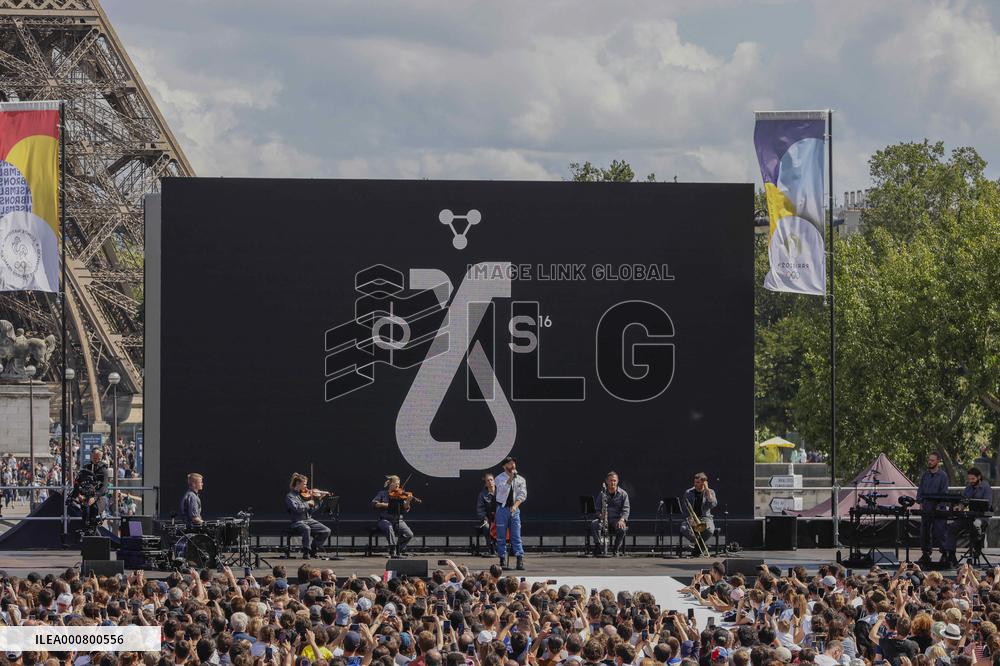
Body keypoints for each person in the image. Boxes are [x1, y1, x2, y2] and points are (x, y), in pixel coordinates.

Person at [940, 467, 993, 565]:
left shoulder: (986, 487)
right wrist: (959, 507)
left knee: (976, 525)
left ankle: (976, 549)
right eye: (969, 479)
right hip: (969, 516)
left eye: (973, 479)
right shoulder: (968, 488)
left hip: (982, 517)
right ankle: (951, 554)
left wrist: (973, 504)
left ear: (979, 477)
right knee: (952, 527)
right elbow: (963, 500)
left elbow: (988, 504)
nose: (971, 481)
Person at [287, 473, 332, 559]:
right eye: (304, 484)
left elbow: (312, 510)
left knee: (326, 530)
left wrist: (319, 500)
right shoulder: (290, 496)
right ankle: (306, 552)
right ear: (298, 484)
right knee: (306, 528)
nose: (306, 486)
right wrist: (307, 503)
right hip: (297, 521)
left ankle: (313, 549)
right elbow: (296, 509)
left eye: (306, 484)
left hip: (308, 519)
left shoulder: (305, 495)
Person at [915, 452, 950, 565]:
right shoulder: (925, 475)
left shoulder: (943, 476)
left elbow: (944, 492)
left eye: (932, 460)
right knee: (924, 532)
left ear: (938, 461)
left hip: (938, 508)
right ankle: (926, 553)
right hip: (926, 507)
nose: (930, 462)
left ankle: (944, 554)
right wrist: (920, 501)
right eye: (929, 460)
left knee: (940, 532)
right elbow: (920, 489)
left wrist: (939, 505)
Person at [494, 455, 526, 570]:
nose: (512, 465)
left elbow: (522, 495)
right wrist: (511, 478)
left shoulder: (521, 479)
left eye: (513, 463)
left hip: (514, 509)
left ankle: (519, 559)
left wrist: (515, 506)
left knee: (516, 535)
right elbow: (502, 491)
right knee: (501, 535)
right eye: (509, 463)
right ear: (504, 466)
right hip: (502, 509)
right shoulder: (499, 478)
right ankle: (502, 558)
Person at [373, 475, 414, 557]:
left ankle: (398, 549)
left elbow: (406, 507)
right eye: (396, 484)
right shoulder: (382, 493)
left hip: (398, 520)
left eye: (398, 484)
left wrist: (408, 501)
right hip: (384, 519)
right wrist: (388, 505)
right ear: (390, 484)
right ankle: (392, 550)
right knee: (389, 527)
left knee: (409, 534)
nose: (398, 486)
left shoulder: (400, 494)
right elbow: (375, 504)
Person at [590, 471, 630, 556]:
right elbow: (597, 509)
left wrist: (622, 520)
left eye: (614, 480)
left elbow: (626, 509)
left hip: (616, 521)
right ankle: (598, 547)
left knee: (622, 528)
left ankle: (616, 549)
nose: (613, 483)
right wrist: (601, 516)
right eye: (611, 480)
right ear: (607, 481)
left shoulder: (623, 494)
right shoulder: (602, 494)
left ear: (617, 481)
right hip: (604, 520)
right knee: (594, 524)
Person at [679, 472, 717, 556]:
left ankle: (697, 549)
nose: (695, 484)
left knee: (710, 530)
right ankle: (699, 545)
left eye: (698, 482)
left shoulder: (710, 492)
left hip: (705, 518)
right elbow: (685, 508)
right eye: (695, 482)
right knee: (684, 528)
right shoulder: (688, 492)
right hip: (691, 517)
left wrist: (707, 490)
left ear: (704, 483)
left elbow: (713, 504)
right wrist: (689, 518)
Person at [74, 447, 110, 532]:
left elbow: (104, 488)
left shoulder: (103, 470)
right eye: (94, 458)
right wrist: (79, 495)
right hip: (85, 496)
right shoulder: (86, 468)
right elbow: (77, 482)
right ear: (91, 456)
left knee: (94, 510)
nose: (96, 460)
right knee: (84, 509)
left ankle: (92, 530)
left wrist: (95, 497)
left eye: (98, 458)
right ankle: (84, 529)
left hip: (98, 497)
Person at [475, 473, 496, 557]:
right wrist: (485, 518)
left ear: (494, 481)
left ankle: (507, 550)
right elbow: (480, 509)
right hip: (488, 519)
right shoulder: (482, 495)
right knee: (487, 527)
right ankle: (491, 548)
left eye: (491, 480)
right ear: (485, 483)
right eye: (488, 480)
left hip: (501, 518)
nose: (490, 482)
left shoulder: (501, 492)